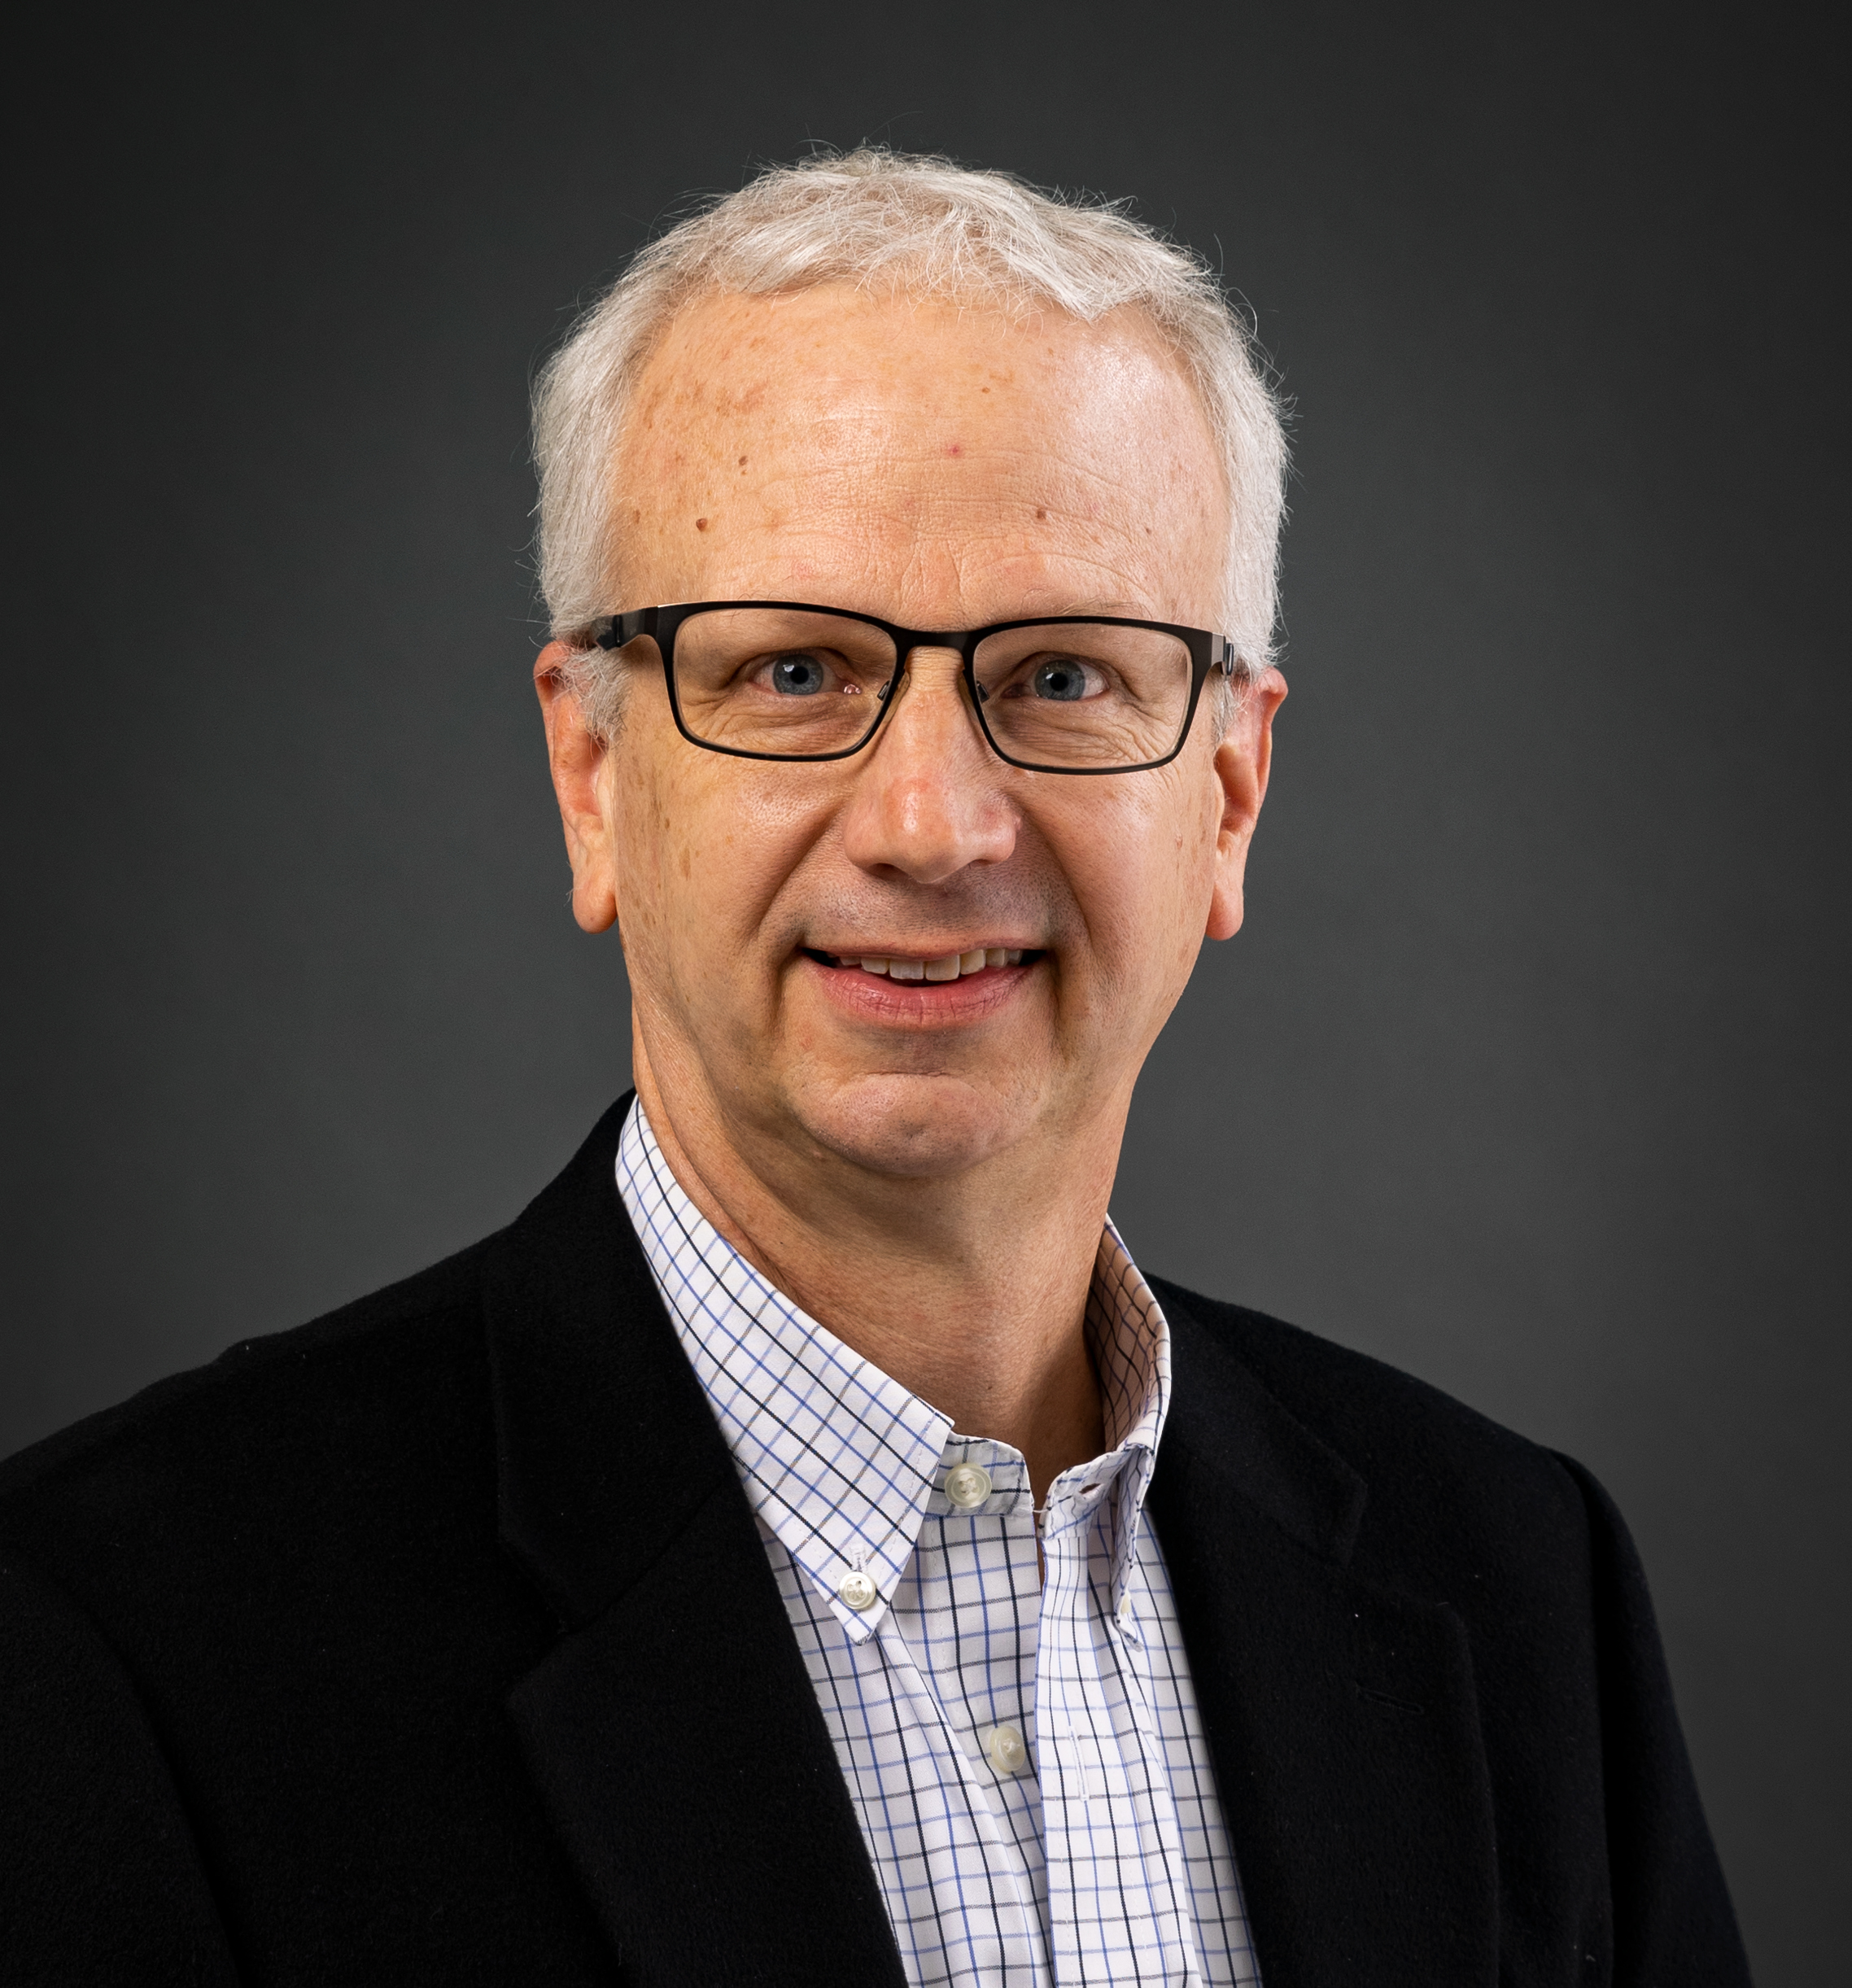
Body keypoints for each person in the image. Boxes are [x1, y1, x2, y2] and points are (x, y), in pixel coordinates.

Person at [0, 151, 1748, 1987]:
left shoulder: (1518, 1582)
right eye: (792, 672)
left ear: (1228, 796)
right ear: (593, 778)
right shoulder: (113, 1651)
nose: (932, 823)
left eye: (1063, 675)